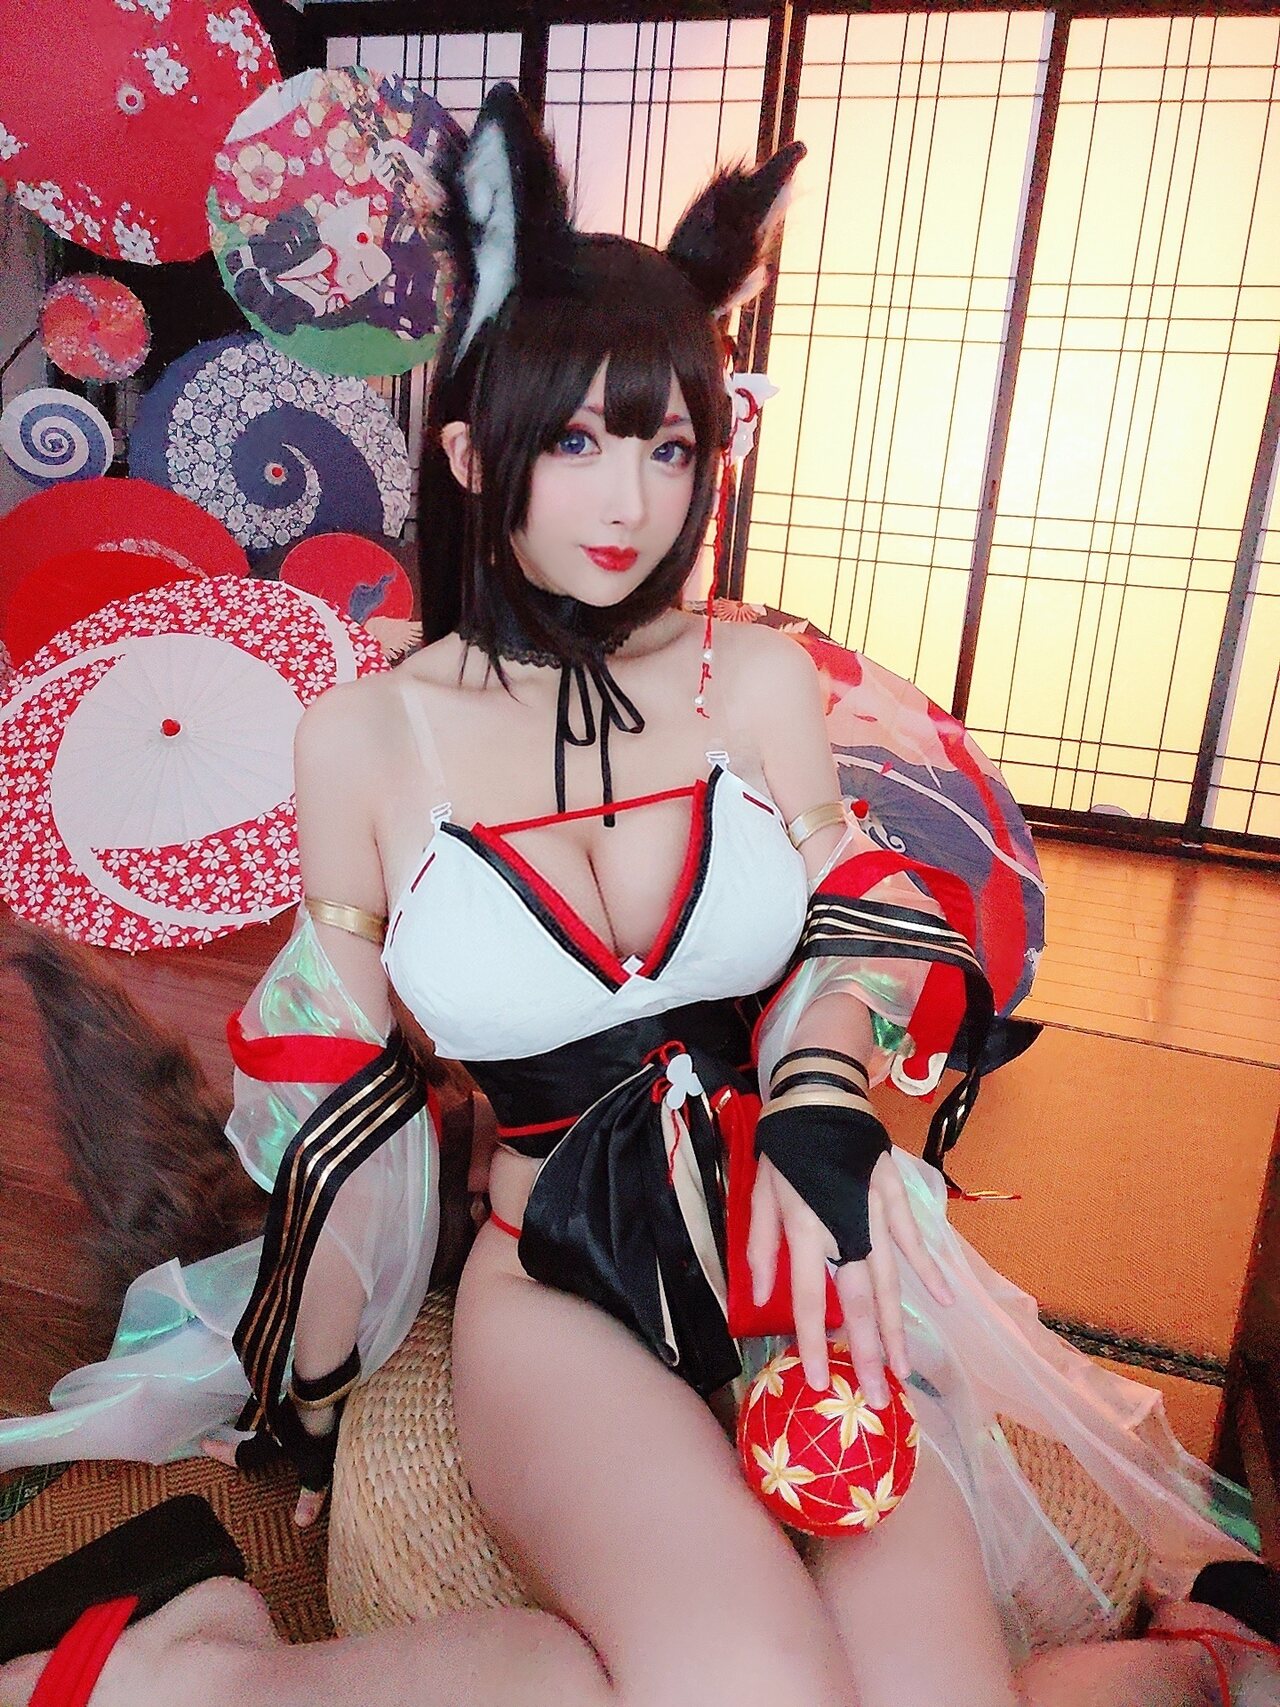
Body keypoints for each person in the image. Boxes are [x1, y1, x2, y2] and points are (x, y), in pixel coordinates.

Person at [2, 84, 1276, 1707]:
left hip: (797, 1254)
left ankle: (1203, 1664)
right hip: (557, 1297)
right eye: (578, 440)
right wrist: (297, 1389)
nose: (630, 501)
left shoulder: (757, 679)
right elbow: (333, 1088)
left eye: (669, 444)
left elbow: (863, 911)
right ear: (474, 451)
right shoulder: (368, 736)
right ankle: (207, 1671)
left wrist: (822, 1100)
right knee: (752, 1681)